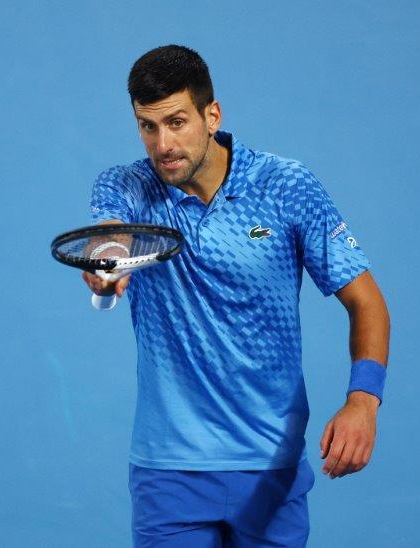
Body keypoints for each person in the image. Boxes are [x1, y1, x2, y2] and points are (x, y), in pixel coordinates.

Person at [82, 45, 390, 547]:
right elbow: (110, 234)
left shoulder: (286, 186)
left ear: (212, 115)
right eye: (147, 126)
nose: (163, 144)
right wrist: (107, 261)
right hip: (169, 473)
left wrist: (363, 401)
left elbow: (366, 301)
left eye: (176, 122)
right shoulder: (129, 186)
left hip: (271, 468)